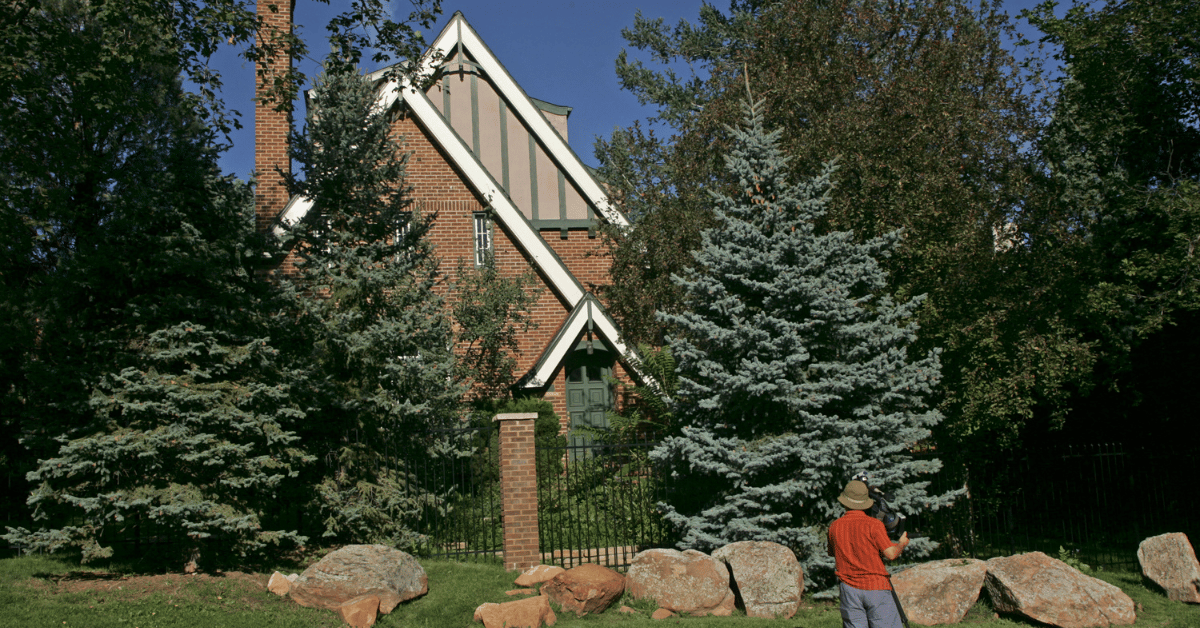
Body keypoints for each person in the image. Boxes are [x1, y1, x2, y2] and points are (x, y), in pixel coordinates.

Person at [827, 479, 910, 628]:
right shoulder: (874, 525)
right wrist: (901, 544)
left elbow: (832, 553)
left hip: (849, 589)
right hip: (876, 587)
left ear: (845, 502)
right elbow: (891, 554)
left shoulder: (834, 526)